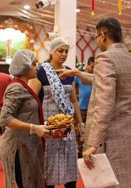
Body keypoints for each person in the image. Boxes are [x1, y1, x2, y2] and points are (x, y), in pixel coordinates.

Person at [54, 18, 131, 188]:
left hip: (111, 138)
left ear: (102, 35)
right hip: (130, 134)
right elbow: (112, 83)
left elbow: (105, 103)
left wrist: (94, 143)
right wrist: (79, 74)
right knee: (125, 182)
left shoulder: (105, 58)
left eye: (95, 38)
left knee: (107, 183)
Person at [29, 38, 83, 188]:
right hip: (48, 126)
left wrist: (80, 123)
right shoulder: (41, 72)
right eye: (60, 50)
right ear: (51, 51)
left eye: (66, 51)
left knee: (69, 160)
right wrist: (32, 127)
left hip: (67, 125)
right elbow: (31, 100)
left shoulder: (69, 72)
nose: (64, 54)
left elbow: (73, 100)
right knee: (50, 161)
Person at [0, 49, 51, 188]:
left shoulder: (24, 86)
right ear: (24, 66)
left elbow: (25, 114)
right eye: (34, 64)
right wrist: (33, 127)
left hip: (28, 143)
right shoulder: (16, 88)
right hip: (18, 147)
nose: (38, 68)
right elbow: (4, 118)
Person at [74, 56, 94, 123]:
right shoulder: (80, 75)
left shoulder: (97, 77)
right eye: (92, 66)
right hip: (82, 107)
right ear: (87, 65)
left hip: (93, 108)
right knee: (81, 128)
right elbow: (72, 87)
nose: (94, 69)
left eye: (96, 67)